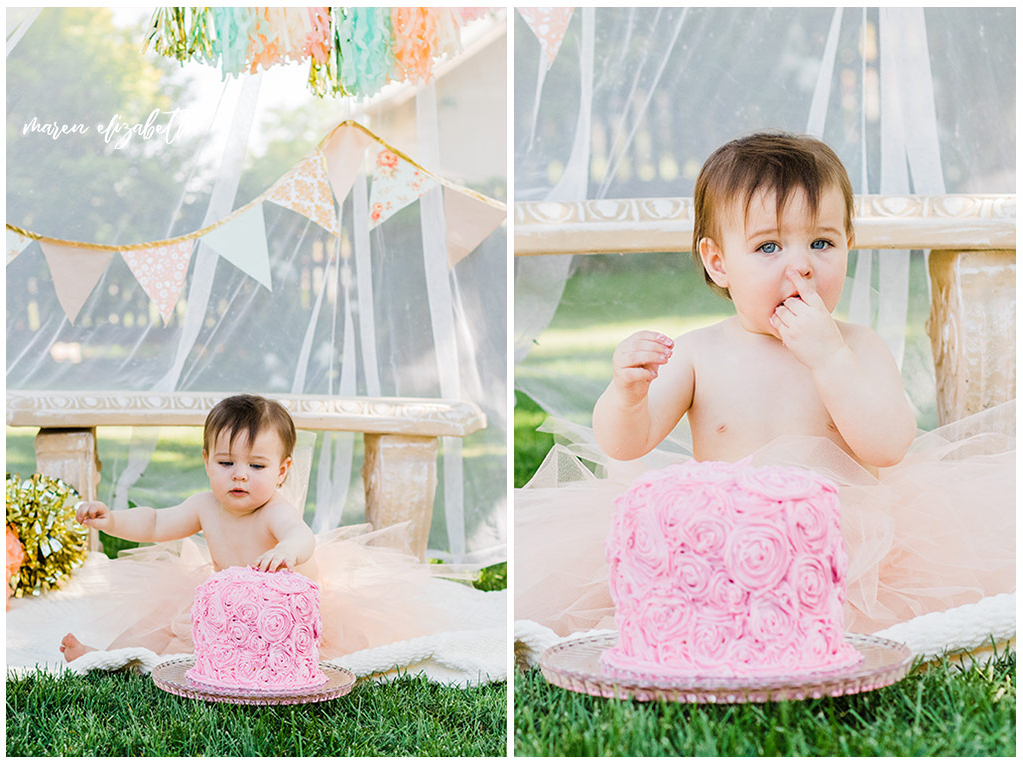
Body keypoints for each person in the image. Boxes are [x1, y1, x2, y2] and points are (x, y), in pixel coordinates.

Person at [515, 132, 1014, 638]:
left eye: (822, 243)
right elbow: (625, 444)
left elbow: (888, 447)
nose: (800, 265)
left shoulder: (857, 347)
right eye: (769, 246)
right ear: (718, 262)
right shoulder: (698, 354)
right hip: (727, 546)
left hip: (846, 548)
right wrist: (626, 394)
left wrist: (828, 358)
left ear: (848, 246)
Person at [55, 394, 501, 664]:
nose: (240, 476)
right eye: (227, 463)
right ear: (207, 461)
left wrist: (287, 551)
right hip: (228, 602)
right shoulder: (204, 506)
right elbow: (154, 522)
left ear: (283, 470)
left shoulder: (274, 512)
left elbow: (302, 536)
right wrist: (110, 519)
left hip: (283, 611)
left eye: (257, 465)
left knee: (282, 653)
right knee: (161, 626)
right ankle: (109, 655)